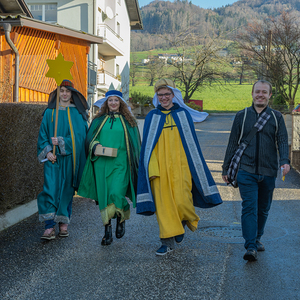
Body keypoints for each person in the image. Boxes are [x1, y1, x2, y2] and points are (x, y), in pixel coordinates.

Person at [137, 79, 222, 256]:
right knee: (164, 207)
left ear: (173, 95)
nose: (164, 98)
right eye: (160, 95)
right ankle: (166, 242)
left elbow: (192, 145)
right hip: (160, 171)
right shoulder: (152, 116)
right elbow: (147, 148)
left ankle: (182, 224)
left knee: (183, 202)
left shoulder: (183, 114)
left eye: (167, 94)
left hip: (182, 168)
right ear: (157, 97)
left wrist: (193, 169)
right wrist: (151, 170)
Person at [222, 80, 290, 261]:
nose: (260, 95)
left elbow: (282, 140)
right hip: (246, 170)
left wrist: (285, 161)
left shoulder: (276, 116)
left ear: (269, 95)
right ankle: (250, 245)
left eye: (264, 92)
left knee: (264, 209)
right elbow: (232, 143)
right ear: (252, 94)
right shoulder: (241, 116)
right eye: (257, 92)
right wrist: (226, 168)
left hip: (269, 171)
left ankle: (257, 238)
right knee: (249, 207)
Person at [78, 90, 141, 246]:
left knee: (116, 193)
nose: (113, 103)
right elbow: (90, 139)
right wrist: (95, 145)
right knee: (105, 197)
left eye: (116, 100)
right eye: (110, 100)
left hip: (121, 164)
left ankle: (121, 217)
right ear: (106, 103)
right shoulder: (99, 120)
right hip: (101, 163)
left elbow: (135, 145)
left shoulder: (129, 121)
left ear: (121, 103)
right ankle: (107, 231)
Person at [37, 80, 89, 240]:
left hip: (69, 161)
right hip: (53, 160)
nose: (65, 94)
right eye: (62, 91)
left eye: (68, 91)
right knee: (50, 190)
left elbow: (81, 138)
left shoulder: (77, 114)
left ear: (72, 94)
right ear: (58, 93)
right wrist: (47, 152)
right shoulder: (49, 113)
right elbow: (43, 136)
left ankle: (63, 223)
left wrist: (61, 141)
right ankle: (49, 227)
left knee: (66, 190)